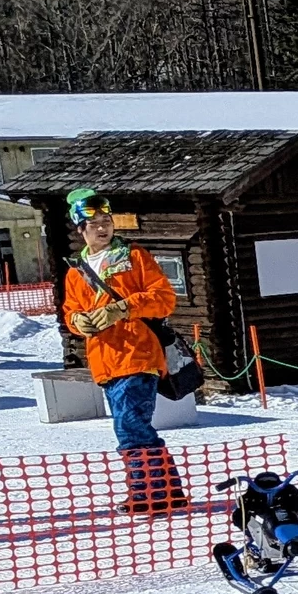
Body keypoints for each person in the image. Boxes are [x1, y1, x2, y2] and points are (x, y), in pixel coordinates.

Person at [58, 189, 189, 517]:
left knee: (130, 425)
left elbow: (163, 297)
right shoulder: (76, 270)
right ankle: (165, 490)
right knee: (129, 425)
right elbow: (70, 309)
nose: (103, 228)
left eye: (107, 221)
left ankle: (152, 492)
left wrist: (124, 307)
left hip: (137, 352)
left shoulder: (134, 257)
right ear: (81, 229)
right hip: (105, 360)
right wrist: (77, 321)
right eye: (94, 223)